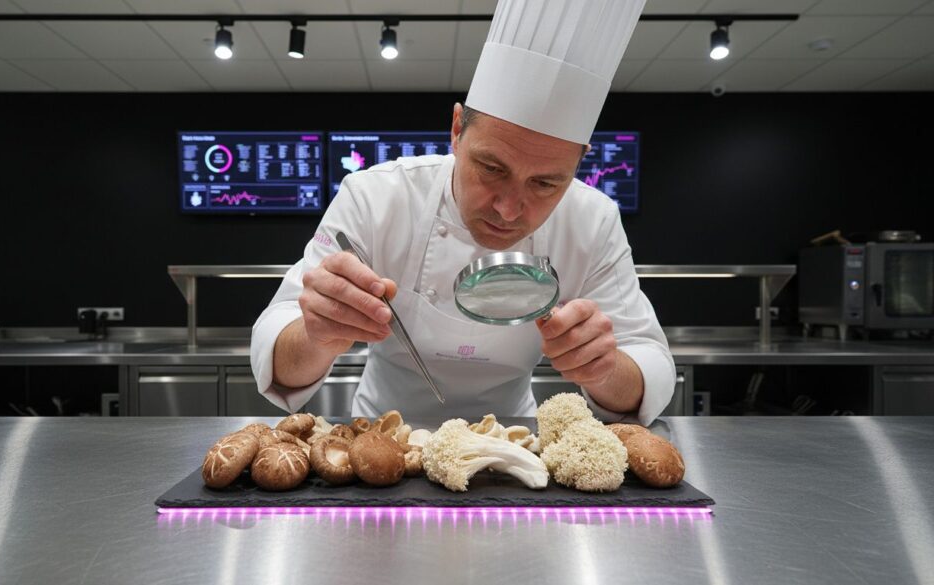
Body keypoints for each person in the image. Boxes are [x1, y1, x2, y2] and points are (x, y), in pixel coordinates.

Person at [251, 0, 675, 425]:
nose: (509, 210)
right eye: (491, 168)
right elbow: (279, 354)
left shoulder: (593, 221)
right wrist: (316, 334)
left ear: (580, 162)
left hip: (515, 447)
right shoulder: (374, 196)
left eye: (545, 184)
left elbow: (649, 362)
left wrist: (605, 369)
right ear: (456, 130)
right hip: (382, 441)